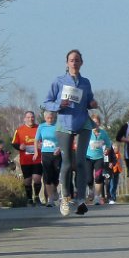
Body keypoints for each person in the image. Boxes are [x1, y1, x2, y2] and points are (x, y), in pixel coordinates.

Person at [41, 49, 99, 216]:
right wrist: (59, 105)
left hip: (83, 123)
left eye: (77, 60)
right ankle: (65, 198)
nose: (74, 63)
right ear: (67, 63)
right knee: (66, 162)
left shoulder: (85, 82)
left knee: (81, 162)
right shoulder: (59, 81)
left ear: (82, 63)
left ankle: (80, 200)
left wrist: (92, 103)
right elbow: (47, 102)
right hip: (65, 123)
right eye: (72, 60)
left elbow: (88, 101)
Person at [12, 111, 44, 206]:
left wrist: (42, 144)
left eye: (32, 117)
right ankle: (29, 199)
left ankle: (37, 197)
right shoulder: (19, 130)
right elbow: (14, 143)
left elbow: (47, 139)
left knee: (37, 178)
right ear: (25, 119)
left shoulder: (39, 128)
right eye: (28, 117)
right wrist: (19, 147)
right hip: (25, 159)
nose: (31, 119)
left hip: (37, 158)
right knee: (28, 180)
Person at [85, 118, 114, 206]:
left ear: (99, 123)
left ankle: (97, 197)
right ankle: (91, 190)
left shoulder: (103, 133)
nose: (95, 124)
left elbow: (108, 144)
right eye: (93, 122)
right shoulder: (88, 132)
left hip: (99, 158)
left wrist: (107, 149)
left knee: (98, 178)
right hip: (88, 158)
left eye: (97, 122)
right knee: (89, 179)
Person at [34, 111, 61, 207]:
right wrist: (36, 152)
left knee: (55, 176)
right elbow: (36, 140)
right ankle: (50, 199)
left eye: (52, 118)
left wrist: (59, 148)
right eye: (48, 118)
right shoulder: (41, 126)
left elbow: (63, 139)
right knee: (47, 176)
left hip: (56, 153)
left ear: (54, 117)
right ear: (45, 118)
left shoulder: (58, 126)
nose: (50, 120)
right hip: (45, 153)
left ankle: (55, 189)